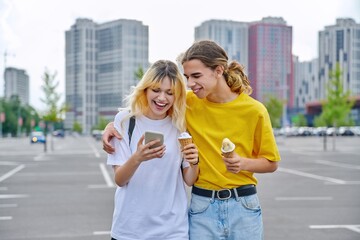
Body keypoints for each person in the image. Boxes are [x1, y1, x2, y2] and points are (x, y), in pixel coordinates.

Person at [103, 41, 280, 240]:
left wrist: (242, 163)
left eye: (196, 76)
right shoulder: (188, 104)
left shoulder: (254, 110)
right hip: (202, 205)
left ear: (218, 70)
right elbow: (152, 105)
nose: (190, 84)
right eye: (187, 77)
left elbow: (271, 162)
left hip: (243, 204)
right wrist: (113, 125)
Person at [106, 60, 199, 240]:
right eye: (156, 90)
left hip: (173, 231)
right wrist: (137, 158)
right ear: (145, 89)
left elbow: (189, 179)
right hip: (130, 229)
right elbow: (120, 179)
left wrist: (194, 162)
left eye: (169, 93)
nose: (162, 98)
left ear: (177, 95)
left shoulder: (181, 125)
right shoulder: (126, 121)